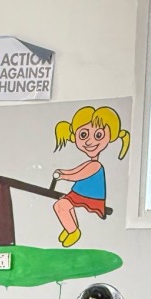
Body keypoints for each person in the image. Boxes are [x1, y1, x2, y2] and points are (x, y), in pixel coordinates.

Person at [51, 105, 128, 247]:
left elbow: (78, 175)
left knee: (61, 205)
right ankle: (71, 229)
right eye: (83, 135)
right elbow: (75, 170)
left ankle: (73, 231)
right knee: (63, 204)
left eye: (98, 135)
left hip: (90, 196)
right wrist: (64, 172)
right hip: (78, 193)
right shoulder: (90, 163)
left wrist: (65, 176)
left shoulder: (96, 166)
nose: (89, 142)